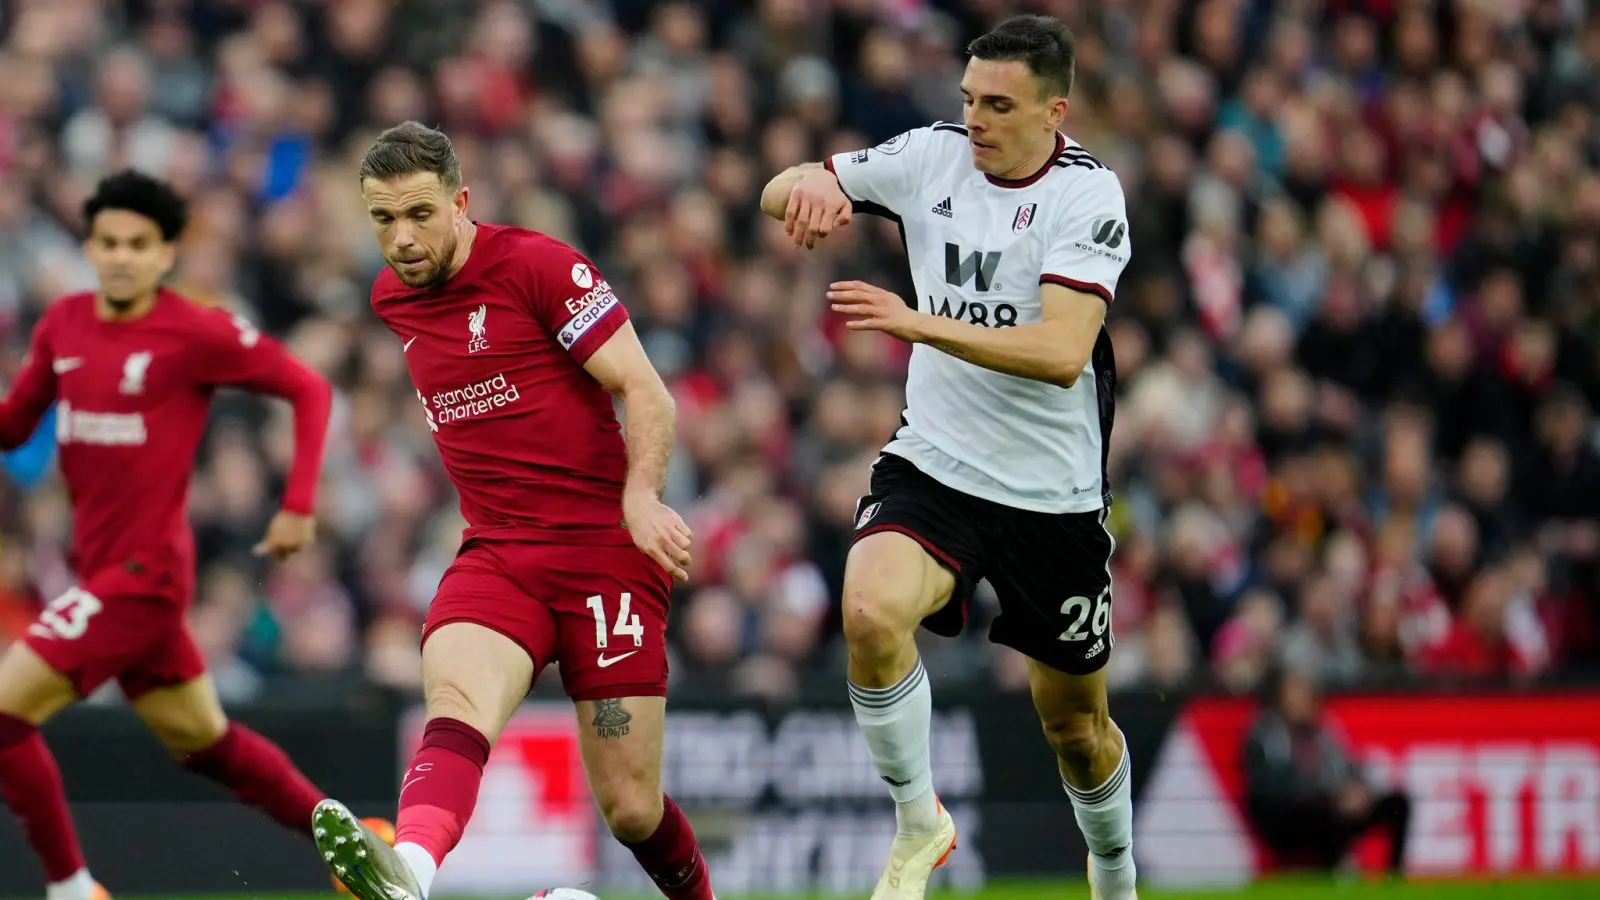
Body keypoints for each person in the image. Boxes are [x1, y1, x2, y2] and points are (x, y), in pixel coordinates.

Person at [760, 15, 1138, 900]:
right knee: (869, 608)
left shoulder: (1088, 196)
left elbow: (1060, 353)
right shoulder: (931, 156)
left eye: (999, 105)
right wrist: (808, 187)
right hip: (935, 465)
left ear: (1055, 111)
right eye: (969, 98)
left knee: (1076, 729)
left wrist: (914, 321)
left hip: (1053, 497)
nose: (976, 119)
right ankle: (920, 821)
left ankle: (1114, 875)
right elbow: (779, 188)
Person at [310, 121, 712, 900]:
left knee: (631, 810)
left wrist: (640, 498)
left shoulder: (539, 266)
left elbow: (645, 390)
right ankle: (410, 873)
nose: (401, 238)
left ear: (461, 202)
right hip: (499, 555)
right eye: (383, 220)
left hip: (605, 554)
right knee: (455, 704)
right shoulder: (391, 297)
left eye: (420, 214)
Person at [0, 170, 375, 900]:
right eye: (106, 242)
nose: (119, 257)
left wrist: (298, 504)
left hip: (143, 577)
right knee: (208, 744)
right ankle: (359, 846)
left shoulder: (192, 330)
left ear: (167, 252)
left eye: (138, 244)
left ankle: (72, 888)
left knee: (3, 712)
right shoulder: (64, 325)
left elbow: (308, 386)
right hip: (105, 576)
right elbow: (14, 425)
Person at [1243, 666, 1412, 874]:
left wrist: (1359, 790)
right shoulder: (1267, 732)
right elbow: (1273, 785)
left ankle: (1393, 878)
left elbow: (1350, 766)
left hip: (1332, 805)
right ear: (1280, 698)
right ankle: (1334, 873)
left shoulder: (1323, 731)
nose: (1302, 701)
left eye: (1306, 694)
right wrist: (1331, 795)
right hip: (1286, 815)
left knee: (1397, 803)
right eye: (1295, 694)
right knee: (1327, 815)